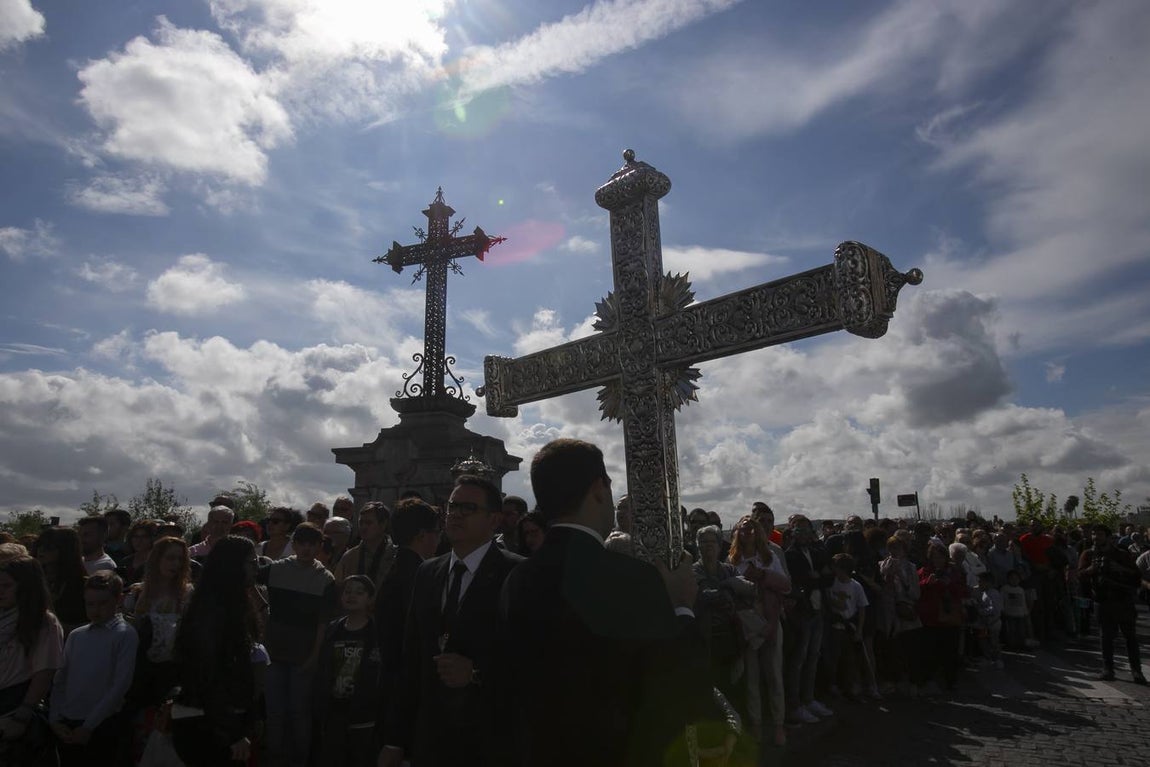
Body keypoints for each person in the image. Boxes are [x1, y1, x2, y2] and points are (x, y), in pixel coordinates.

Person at [498, 439, 710, 767]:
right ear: (599, 488)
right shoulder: (632, 577)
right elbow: (678, 690)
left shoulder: (517, 578)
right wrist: (682, 606)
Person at [380, 475, 524, 767]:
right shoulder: (427, 573)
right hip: (431, 739)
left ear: (494, 520)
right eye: (452, 506)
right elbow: (412, 660)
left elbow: (532, 658)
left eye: (468, 508)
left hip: (489, 739)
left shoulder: (517, 574)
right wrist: (395, 739)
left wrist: (477, 672)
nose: (456, 514)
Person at [171, 536, 266, 766]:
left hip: (226, 719)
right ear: (232, 566)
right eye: (251, 563)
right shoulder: (210, 611)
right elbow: (207, 676)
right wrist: (232, 733)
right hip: (205, 722)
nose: (256, 568)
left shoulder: (237, 606)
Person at [258, 523, 338, 767]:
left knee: (299, 712)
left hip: (303, 654)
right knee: (274, 711)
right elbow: (248, 581)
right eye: (302, 543)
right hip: (273, 651)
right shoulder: (276, 569)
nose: (306, 549)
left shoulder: (325, 579)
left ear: (319, 547)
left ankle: (299, 761)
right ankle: (274, 759)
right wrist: (262, 609)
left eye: (312, 544)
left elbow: (323, 624)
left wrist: (314, 657)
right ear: (294, 544)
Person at [49, 570, 138, 766]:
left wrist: (89, 726)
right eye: (90, 604)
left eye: (103, 603)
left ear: (118, 599)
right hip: (68, 721)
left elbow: (120, 685)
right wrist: (55, 718)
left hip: (102, 724)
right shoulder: (77, 635)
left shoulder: (124, 635)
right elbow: (60, 679)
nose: (96, 610)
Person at [374, 498, 442, 723]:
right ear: (423, 535)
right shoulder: (417, 575)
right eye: (436, 531)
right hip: (406, 683)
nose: (438, 538)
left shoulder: (398, 568)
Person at [123, 536, 193, 748]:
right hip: (139, 671)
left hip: (172, 672)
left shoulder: (187, 594)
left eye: (180, 559)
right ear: (157, 559)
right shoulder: (138, 593)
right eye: (170, 558)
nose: (175, 564)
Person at [727, 516, 789, 745]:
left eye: (751, 528)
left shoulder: (769, 557)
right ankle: (756, 725)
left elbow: (785, 585)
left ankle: (778, 725)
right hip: (748, 623)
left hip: (770, 619)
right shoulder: (733, 560)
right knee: (752, 677)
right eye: (742, 529)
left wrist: (763, 576)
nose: (747, 533)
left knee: (773, 674)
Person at [0, 555, 64, 767]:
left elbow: (44, 672)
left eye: (7, 586)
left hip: (16, 703)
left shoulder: (44, 622)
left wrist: (22, 715)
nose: (1, 591)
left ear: (25, 587)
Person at [312, 575, 382, 767]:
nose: (352, 596)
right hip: (334, 711)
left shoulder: (376, 632)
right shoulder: (334, 628)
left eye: (359, 592)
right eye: (348, 591)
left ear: (370, 598)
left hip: (363, 714)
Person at [783, 514, 834, 724]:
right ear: (792, 531)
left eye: (806, 529)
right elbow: (803, 578)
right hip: (803, 611)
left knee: (813, 656)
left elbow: (827, 578)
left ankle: (809, 698)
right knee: (799, 659)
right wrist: (816, 577)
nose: (803, 533)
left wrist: (817, 577)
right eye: (798, 529)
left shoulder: (817, 551)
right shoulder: (790, 555)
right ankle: (795, 704)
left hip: (818, 607)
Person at [1079, 525, 1146, 684]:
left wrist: (1120, 569)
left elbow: (1137, 577)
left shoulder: (1121, 554)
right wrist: (1090, 570)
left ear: (1108, 537)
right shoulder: (1088, 554)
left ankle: (1136, 671)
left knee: (1130, 637)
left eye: (1100, 534)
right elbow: (1080, 575)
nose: (1096, 537)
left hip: (1123, 600)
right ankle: (1108, 669)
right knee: (1106, 637)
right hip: (1102, 600)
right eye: (1094, 534)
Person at [915, 543, 967, 692]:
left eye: (940, 556)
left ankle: (951, 681)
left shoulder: (953, 572)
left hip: (949, 617)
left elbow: (961, 591)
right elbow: (916, 590)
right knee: (930, 651)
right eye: (934, 557)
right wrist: (927, 583)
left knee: (950, 651)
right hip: (930, 617)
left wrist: (949, 584)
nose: (938, 560)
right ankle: (930, 679)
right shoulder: (924, 571)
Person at [31, 527, 88, 634]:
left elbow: (88, 628)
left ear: (66, 550)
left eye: (49, 547)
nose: (41, 550)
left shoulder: (82, 586)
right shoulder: (33, 581)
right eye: (39, 545)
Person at [334, 502, 395, 587]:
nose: (363, 527)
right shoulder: (349, 557)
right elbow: (339, 587)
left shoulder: (395, 556)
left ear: (383, 524)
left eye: (368, 523)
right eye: (361, 522)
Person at [117, 518, 158, 587]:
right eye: (136, 536)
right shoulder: (125, 561)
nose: (139, 541)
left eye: (144, 537)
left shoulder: (157, 562)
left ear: (152, 539)